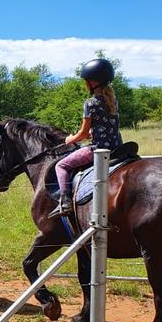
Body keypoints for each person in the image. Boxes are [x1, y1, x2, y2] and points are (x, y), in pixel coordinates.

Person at [51, 58, 123, 217]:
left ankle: (65, 202)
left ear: (92, 82)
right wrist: (93, 132)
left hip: (99, 150)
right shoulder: (113, 100)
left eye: (86, 81)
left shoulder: (90, 103)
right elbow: (107, 125)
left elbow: (83, 134)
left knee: (61, 166)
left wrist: (70, 139)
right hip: (118, 147)